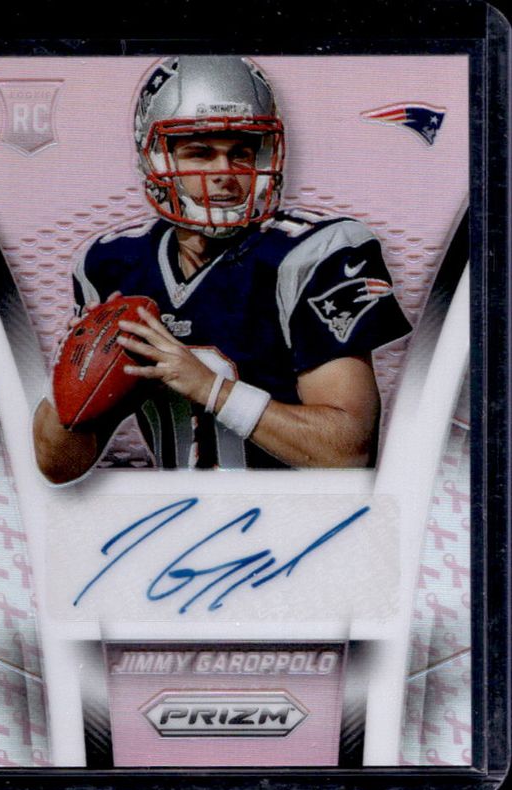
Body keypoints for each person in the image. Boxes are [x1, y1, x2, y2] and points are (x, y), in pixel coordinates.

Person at [33, 55, 412, 483]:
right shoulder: (113, 264)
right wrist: (67, 384)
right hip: (178, 515)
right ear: (159, 161)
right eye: (200, 153)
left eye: (241, 153)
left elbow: (348, 450)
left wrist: (209, 387)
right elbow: (57, 467)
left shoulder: (312, 254)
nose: (224, 174)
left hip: (300, 518)